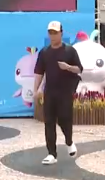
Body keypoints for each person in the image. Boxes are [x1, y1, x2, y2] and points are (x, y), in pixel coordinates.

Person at [33, 21, 83, 165]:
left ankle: (69, 141)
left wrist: (68, 67)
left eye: (55, 33)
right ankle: (51, 153)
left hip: (65, 92)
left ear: (61, 33)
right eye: (50, 33)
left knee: (64, 119)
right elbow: (39, 72)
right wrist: (36, 90)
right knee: (49, 122)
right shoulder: (44, 52)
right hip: (50, 92)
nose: (53, 36)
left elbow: (79, 69)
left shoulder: (69, 51)